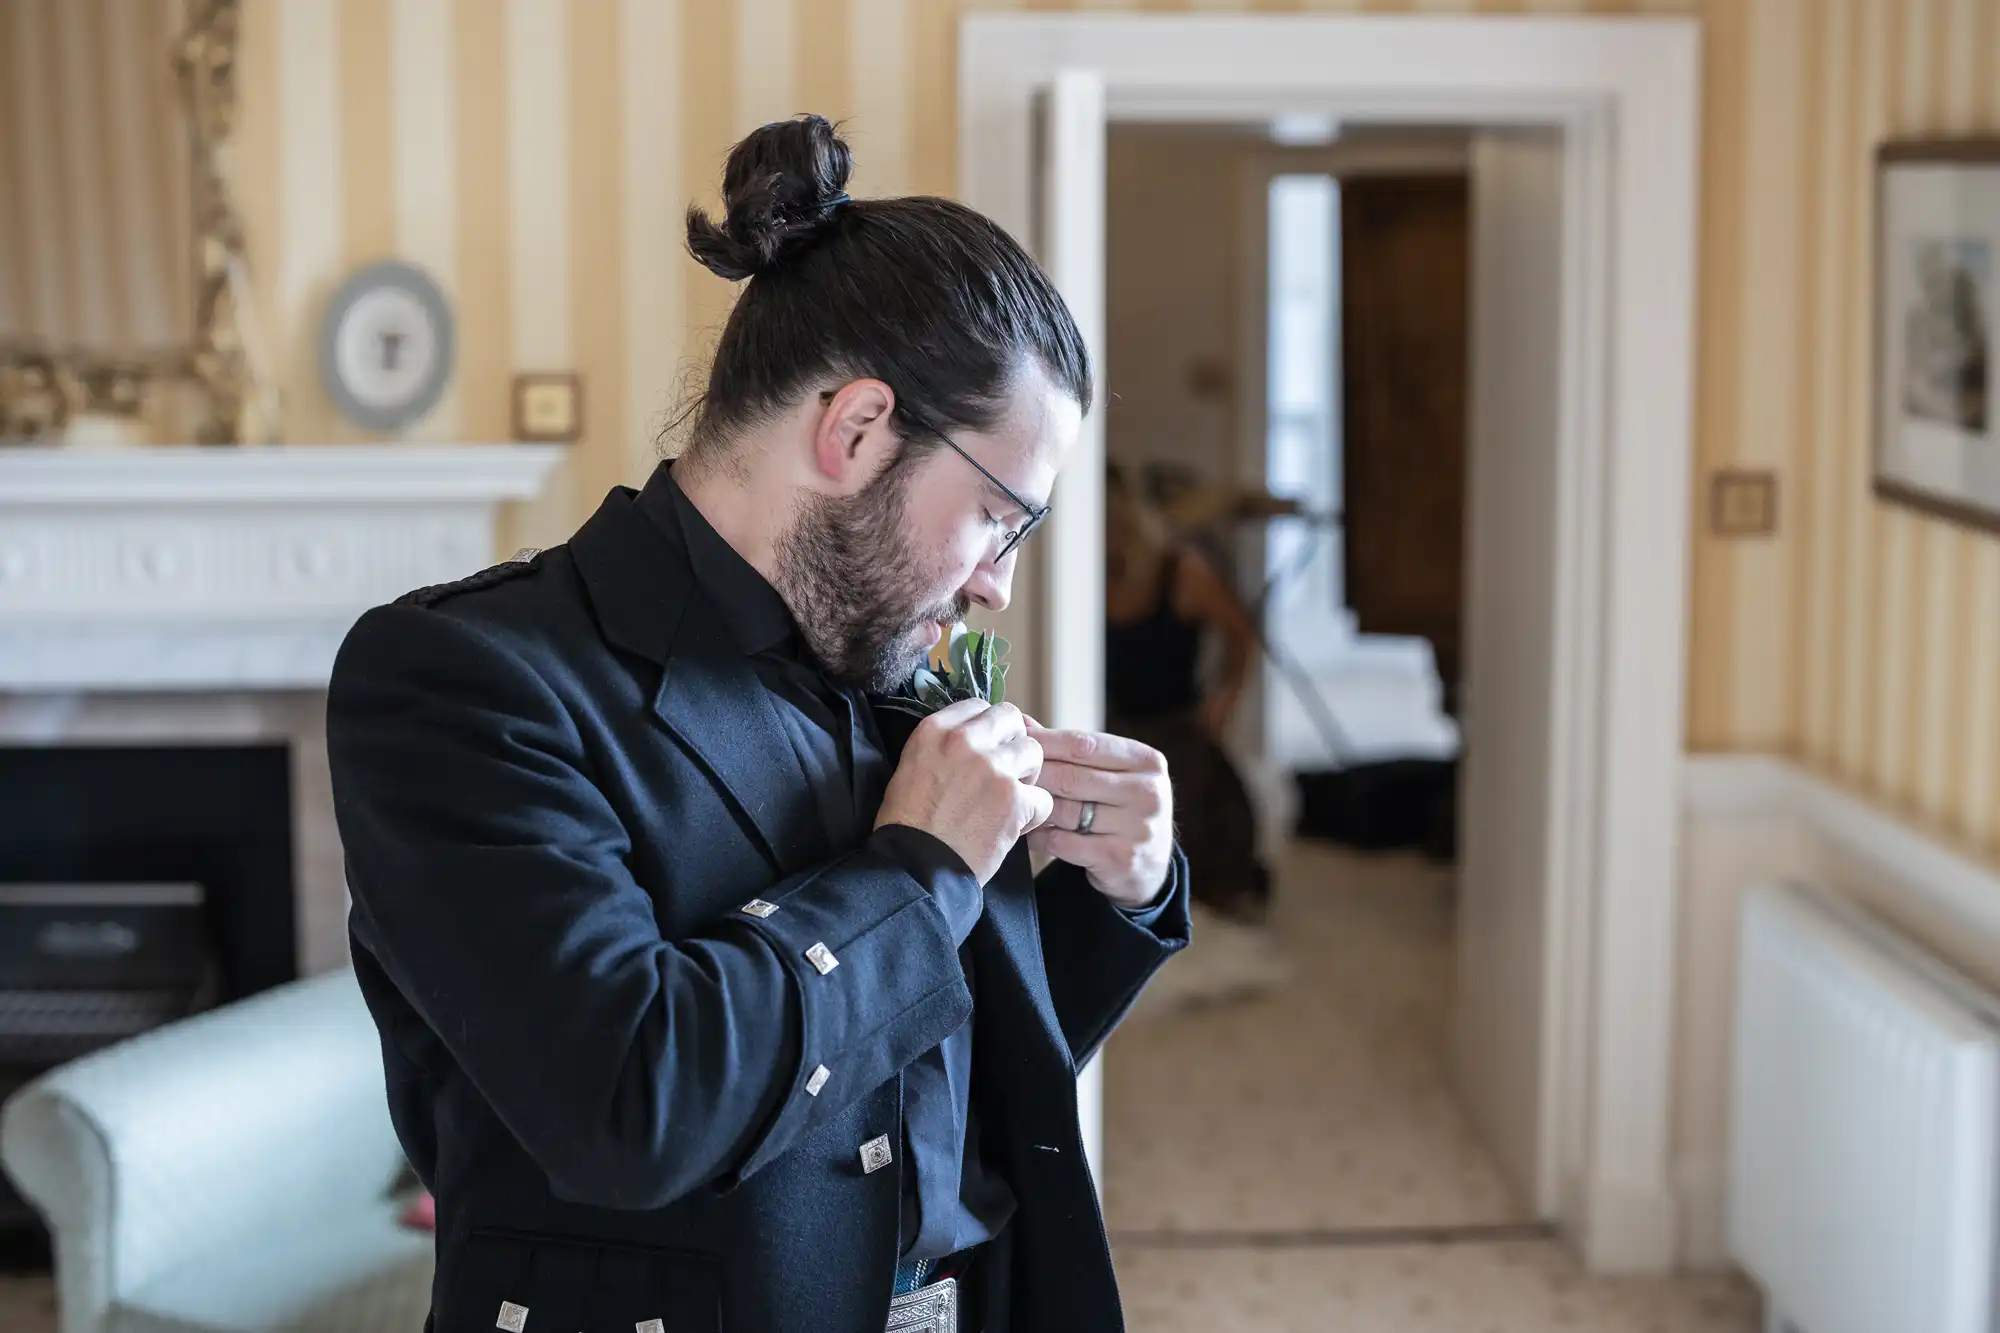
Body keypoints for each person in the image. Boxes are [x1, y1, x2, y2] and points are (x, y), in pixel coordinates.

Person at [326, 116, 1189, 1333]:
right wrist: (923, 867)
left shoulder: (886, 666)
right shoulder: (466, 681)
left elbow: (954, 1067)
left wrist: (1117, 888)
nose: (998, 582)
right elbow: (631, 1105)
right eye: (1000, 516)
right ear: (854, 429)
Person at [1105, 465, 1273, 922]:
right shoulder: (1088, 578)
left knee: (1197, 845)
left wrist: (1224, 702)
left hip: (1177, 727)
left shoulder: (1181, 571)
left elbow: (1243, 637)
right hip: (1116, 725)